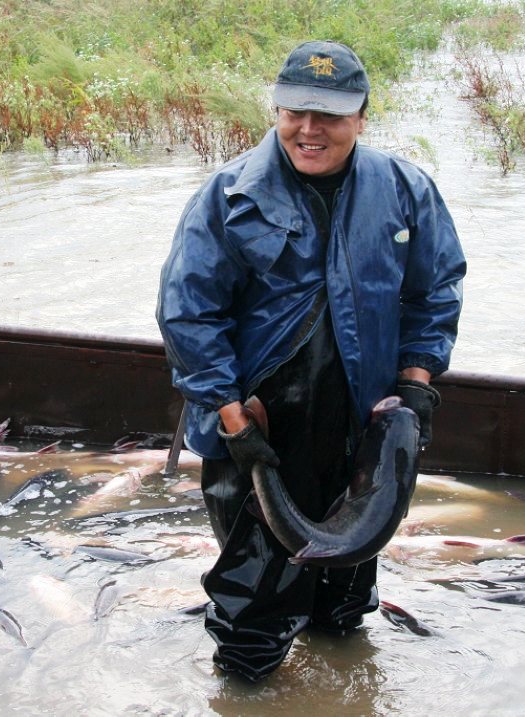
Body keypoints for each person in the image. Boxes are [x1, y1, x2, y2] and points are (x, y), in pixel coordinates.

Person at [156, 40, 466, 682]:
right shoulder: (228, 195)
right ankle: (245, 689)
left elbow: (435, 289)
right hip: (259, 432)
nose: (309, 128)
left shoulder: (406, 189)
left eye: (329, 114)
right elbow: (189, 313)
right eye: (295, 110)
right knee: (254, 619)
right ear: (275, 110)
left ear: (361, 116)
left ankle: (341, 686)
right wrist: (233, 423)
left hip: (360, 429)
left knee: (344, 611)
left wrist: (414, 385)